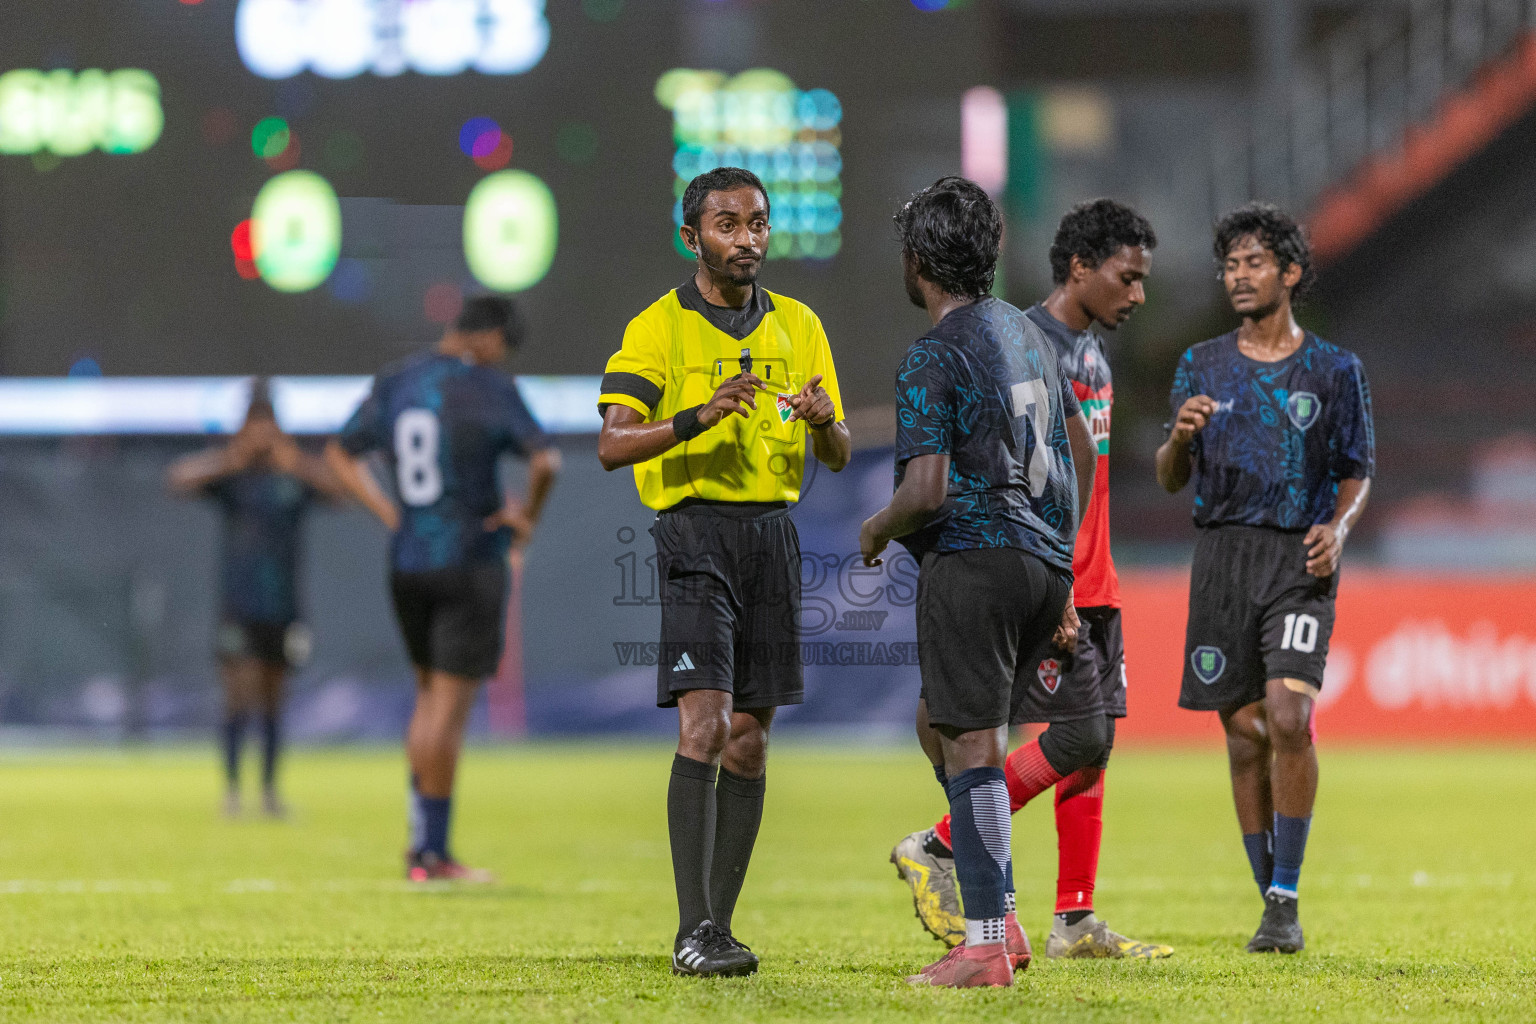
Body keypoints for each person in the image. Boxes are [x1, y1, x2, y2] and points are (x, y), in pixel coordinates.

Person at [890, 198, 1173, 959]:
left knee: (1086, 739)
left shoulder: (1084, 349)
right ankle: (952, 852)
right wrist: (1063, 573)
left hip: (1080, 575)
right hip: (1045, 576)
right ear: (1079, 267)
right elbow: (991, 477)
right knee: (1017, 729)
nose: (1139, 294)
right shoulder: (1017, 338)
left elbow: (1083, 461)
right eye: (1128, 277)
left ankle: (1066, 918)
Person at [596, 166, 851, 977]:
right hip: (695, 534)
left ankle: (718, 928)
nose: (747, 238)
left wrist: (824, 423)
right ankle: (690, 930)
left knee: (750, 743)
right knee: (704, 727)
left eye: (758, 224)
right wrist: (696, 418)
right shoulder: (657, 329)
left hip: (772, 538)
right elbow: (612, 444)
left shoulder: (800, 327)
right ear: (692, 236)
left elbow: (838, 453)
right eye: (728, 223)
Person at [860, 176, 1097, 988]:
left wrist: (874, 528)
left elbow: (925, 490)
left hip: (973, 559)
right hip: (1038, 562)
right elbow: (1081, 451)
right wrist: (1061, 569)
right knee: (941, 723)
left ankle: (987, 943)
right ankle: (1004, 915)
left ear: (918, 260)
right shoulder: (1028, 335)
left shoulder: (931, 355)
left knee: (969, 743)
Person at [1156, 203, 1374, 953]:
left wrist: (1339, 530)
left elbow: (1357, 472)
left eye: (1254, 262)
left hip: (1298, 560)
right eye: (1230, 265)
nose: (1239, 276)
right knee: (1244, 734)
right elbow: (1167, 477)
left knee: (1288, 716)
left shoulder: (1336, 370)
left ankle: (1285, 894)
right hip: (1222, 558)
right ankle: (1272, 900)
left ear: (1290, 273)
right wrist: (1179, 438)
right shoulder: (1200, 365)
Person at [325, 296, 560, 882]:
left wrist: (387, 510)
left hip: (408, 559)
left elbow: (339, 452)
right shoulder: (487, 386)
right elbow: (547, 462)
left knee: (427, 697)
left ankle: (419, 845)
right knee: (447, 713)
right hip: (469, 558)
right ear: (488, 336)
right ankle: (431, 852)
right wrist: (526, 518)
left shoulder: (398, 380)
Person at [169, 379, 344, 818]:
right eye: (254, 422)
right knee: (237, 696)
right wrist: (233, 457)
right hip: (238, 605)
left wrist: (296, 461)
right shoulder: (234, 477)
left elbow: (341, 492)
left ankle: (268, 792)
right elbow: (178, 479)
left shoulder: (291, 475)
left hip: (283, 605)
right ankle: (231, 791)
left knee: (273, 699)